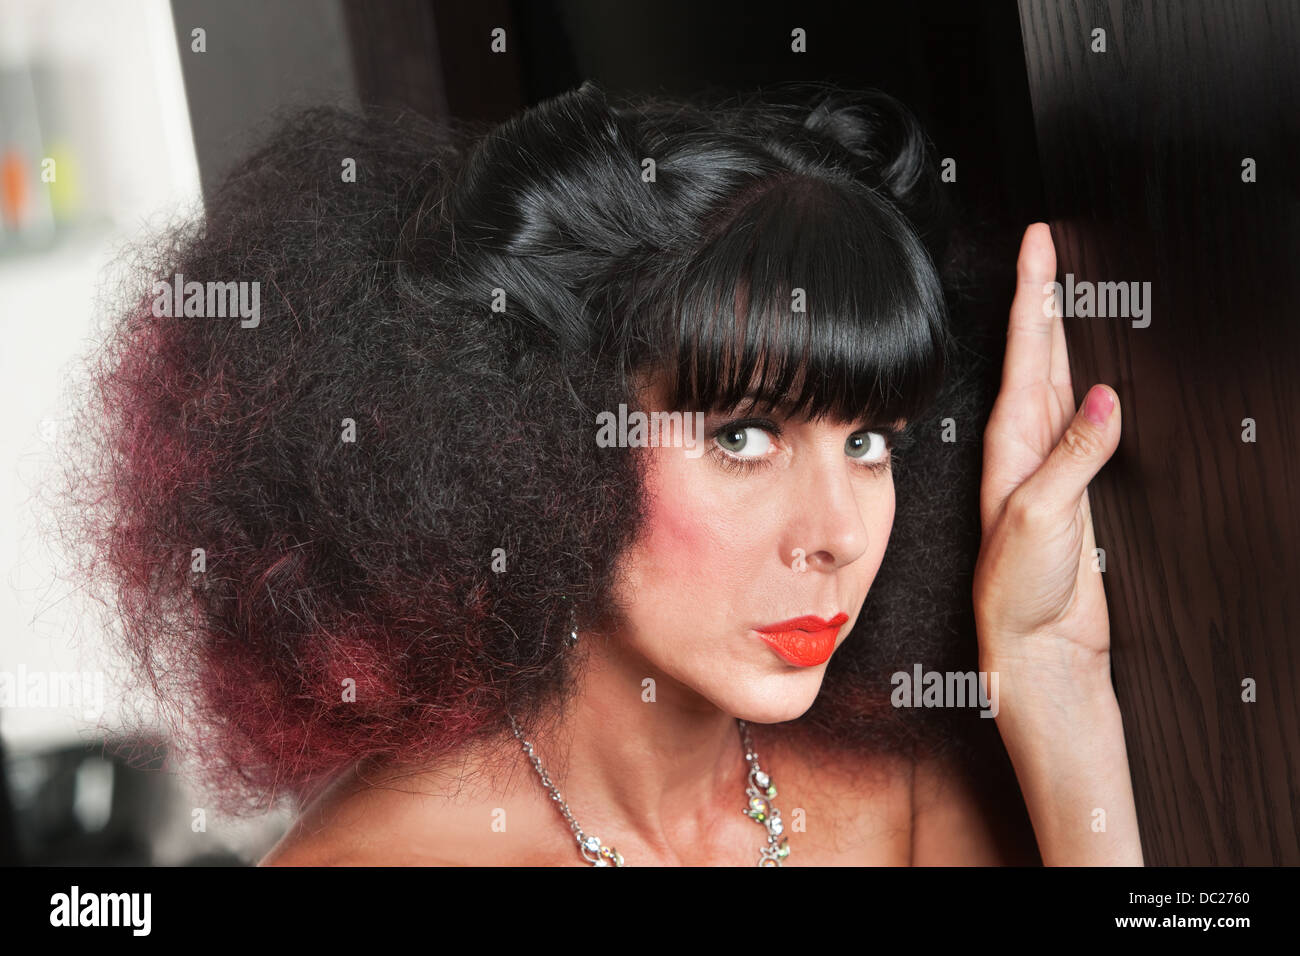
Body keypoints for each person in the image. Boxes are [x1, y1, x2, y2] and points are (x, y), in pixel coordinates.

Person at [65, 79, 1141, 866]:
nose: (840, 533)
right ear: (535, 443)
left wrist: (1057, 686)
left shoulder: (901, 793)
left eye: (868, 442)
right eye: (743, 436)